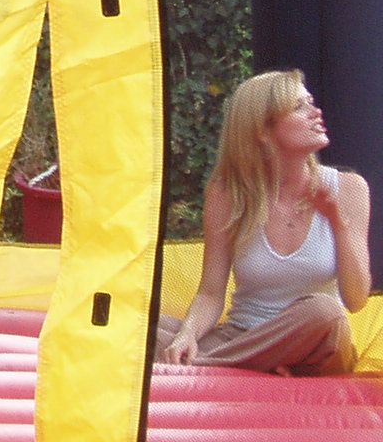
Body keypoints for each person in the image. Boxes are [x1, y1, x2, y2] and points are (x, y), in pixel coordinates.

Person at [155, 69, 371, 376]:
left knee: (325, 311)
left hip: (315, 345)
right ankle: (256, 365)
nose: (316, 112)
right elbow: (210, 293)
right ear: (263, 131)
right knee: (137, 323)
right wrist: (187, 335)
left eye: (311, 102)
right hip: (243, 337)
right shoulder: (227, 194)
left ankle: (203, 367)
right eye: (299, 107)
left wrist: (338, 219)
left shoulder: (350, 188)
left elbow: (357, 299)